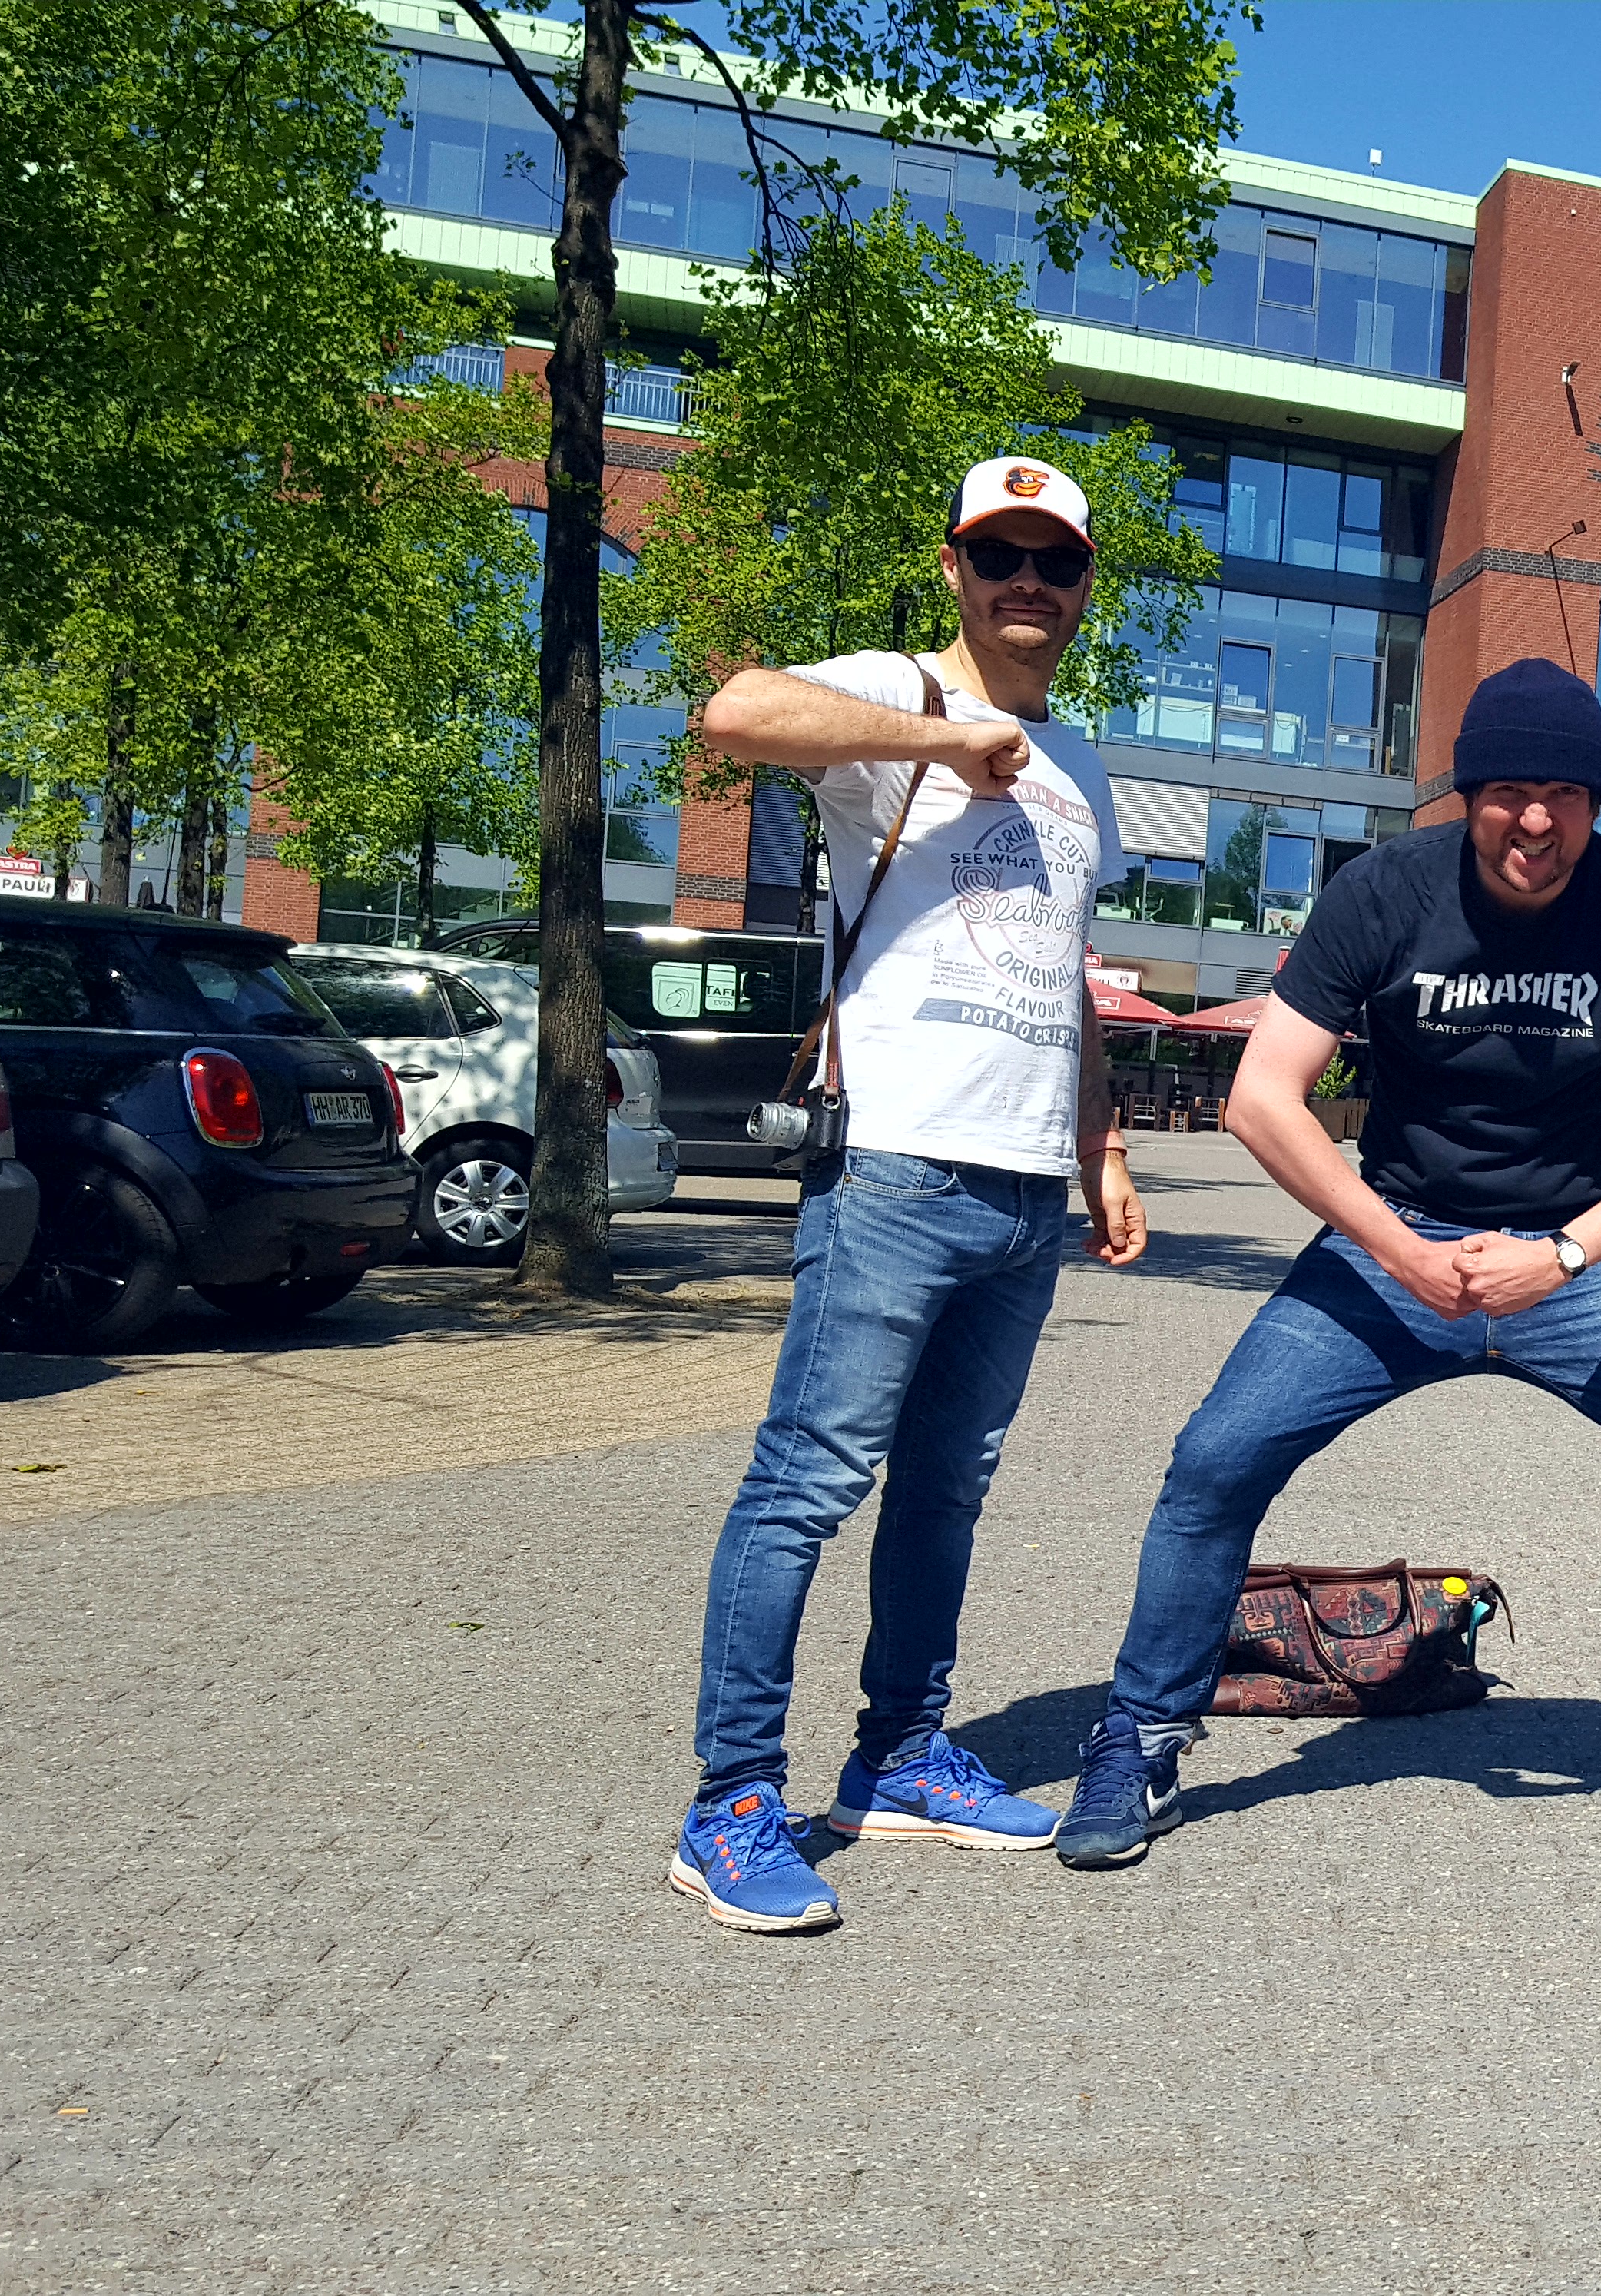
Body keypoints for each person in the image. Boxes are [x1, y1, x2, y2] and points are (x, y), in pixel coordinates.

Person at [1055, 659, 1601, 1885]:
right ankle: (1138, 1737)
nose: (1533, 820)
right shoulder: (1385, 894)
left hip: (1586, 1256)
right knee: (1213, 1461)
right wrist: (1397, 1249)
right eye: (1505, 790)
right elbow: (1263, 1099)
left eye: (1562, 793)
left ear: (1599, 799)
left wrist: (1562, 1257)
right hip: (1397, 1240)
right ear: (1464, 795)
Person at [668, 454, 1150, 1935]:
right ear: (954, 566)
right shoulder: (896, 692)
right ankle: (731, 1797)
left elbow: (1060, 978)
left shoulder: (1089, 781)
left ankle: (900, 1752)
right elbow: (735, 710)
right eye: (999, 554)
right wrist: (938, 741)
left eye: (1053, 562)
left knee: (949, 1487)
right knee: (809, 1480)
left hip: (1020, 1191)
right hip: (892, 1165)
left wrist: (1101, 1145)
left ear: (1080, 591)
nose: (1026, 582)